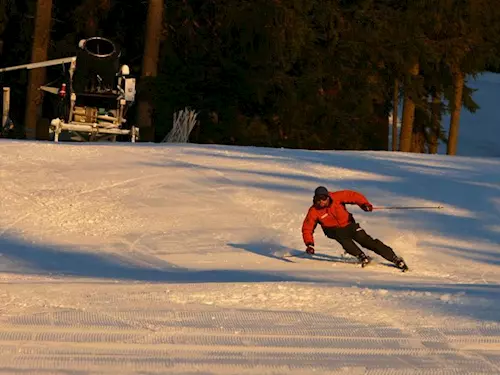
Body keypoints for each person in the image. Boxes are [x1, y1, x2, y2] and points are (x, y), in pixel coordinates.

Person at [301, 186, 409, 271]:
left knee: (366, 240)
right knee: (345, 241)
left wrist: (364, 204)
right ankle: (361, 256)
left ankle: (394, 258)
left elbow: (353, 196)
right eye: (318, 199)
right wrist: (309, 244)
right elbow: (307, 227)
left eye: (323, 198)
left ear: (328, 196)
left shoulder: (337, 197)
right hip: (333, 230)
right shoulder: (314, 211)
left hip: (349, 224)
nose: (321, 202)